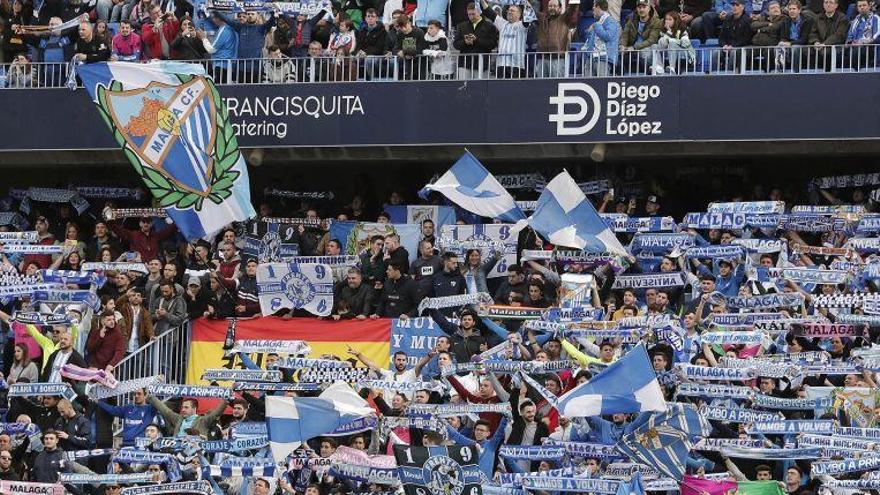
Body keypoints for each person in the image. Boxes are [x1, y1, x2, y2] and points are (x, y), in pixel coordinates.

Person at [481, 0, 527, 78]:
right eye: (509, 10)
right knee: (501, 89)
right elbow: (489, 12)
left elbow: (529, 17)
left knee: (515, 89)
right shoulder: (502, 23)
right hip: (501, 65)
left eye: (512, 11)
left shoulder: (522, 26)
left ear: (519, 14)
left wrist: (526, 3)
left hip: (516, 66)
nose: (509, 12)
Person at [147, 394, 230, 437]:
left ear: (194, 409)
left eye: (186, 407)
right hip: (176, 451)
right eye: (182, 407)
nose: (182, 410)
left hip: (193, 455)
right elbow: (165, 410)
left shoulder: (203, 421)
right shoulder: (178, 418)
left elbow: (216, 413)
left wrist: (226, 401)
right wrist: (150, 397)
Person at [453, 3, 498, 79]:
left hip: (481, 64)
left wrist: (477, 40)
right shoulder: (461, 26)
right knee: (464, 88)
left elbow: (492, 44)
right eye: (469, 14)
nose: (471, 17)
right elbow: (455, 44)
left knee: (481, 89)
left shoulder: (489, 26)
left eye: (473, 14)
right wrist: (465, 42)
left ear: (479, 12)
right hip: (465, 63)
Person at [535, 0, 578, 77]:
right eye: (550, 6)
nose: (552, 8)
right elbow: (531, 10)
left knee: (556, 86)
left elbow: (572, 8)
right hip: (542, 58)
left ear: (560, 8)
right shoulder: (542, 19)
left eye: (555, 6)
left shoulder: (564, 18)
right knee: (540, 86)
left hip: (557, 59)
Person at [620, 0, 662, 73]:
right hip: (632, 47)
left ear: (649, 8)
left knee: (644, 53)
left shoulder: (656, 21)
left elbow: (652, 40)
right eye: (639, 7)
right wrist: (622, 45)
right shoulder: (631, 19)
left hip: (647, 48)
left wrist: (634, 47)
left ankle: (650, 74)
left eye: (644, 7)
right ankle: (619, 74)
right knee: (619, 50)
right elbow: (625, 34)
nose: (641, 9)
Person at [581, 0, 620, 76]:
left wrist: (597, 26)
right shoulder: (598, 22)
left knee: (602, 85)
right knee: (587, 84)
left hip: (603, 59)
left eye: (593, 9)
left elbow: (608, 36)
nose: (593, 12)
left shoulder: (610, 21)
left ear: (598, 7)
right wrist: (589, 32)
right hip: (591, 58)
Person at [808, 0, 848, 70]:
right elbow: (813, 33)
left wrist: (824, 44)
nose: (828, 5)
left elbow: (839, 35)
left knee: (825, 53)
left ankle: (826, 74)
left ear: (836, 5)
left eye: (831, 2)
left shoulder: (842, 18)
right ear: (823, 4)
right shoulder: (818, 18)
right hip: (819, 45)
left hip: (835, 46)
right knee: (806, 51)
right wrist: (816, 42)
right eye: (826, 2)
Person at [777, 0, 814, 70]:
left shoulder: (807, 21)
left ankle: (795, 72)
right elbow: (783, 37)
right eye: (790, 9)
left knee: (795, 48)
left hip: (803, 45)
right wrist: (782, 42)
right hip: (789, 44)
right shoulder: (785, 21)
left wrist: (790, 43)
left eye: (794, 9)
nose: (791, 11)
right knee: (778, 48)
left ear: (799, 10)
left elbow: (804, 39)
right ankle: (780, 72)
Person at [719, 0, 753, 70]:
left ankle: (729, 74)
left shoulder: (747, 20)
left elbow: (747, 38)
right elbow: (721, 36)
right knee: (715, 53)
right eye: (733, 5)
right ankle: (713, 76)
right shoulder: (727, 19)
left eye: (737, 5)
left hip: (740, 47)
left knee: (733, 53)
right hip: (727, 47)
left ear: (743, 7)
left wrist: (733, 46)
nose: (734, 7)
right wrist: (724, 45)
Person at [845, 0, 879, 69]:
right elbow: (850, 35)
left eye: (864, 5)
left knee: (855, 54)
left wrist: (863, 41)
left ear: (869, 6)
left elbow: (876, 35)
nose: (862, 7)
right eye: (860, 6)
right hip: (854, 46)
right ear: (857, 9)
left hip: (868, 47)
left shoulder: (875, 18)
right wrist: (850, 42)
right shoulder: (855, 20)